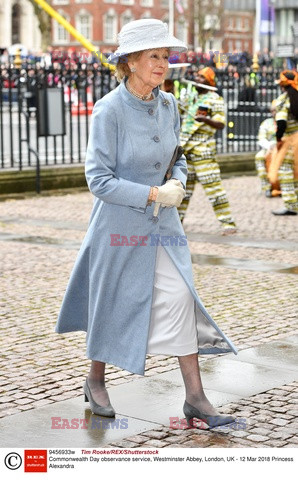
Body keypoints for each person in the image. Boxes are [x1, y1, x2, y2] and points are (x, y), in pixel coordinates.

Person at [55, 19, 237, 428]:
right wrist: (153, 194)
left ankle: (195, 397)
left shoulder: (169, 104)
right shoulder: (109, 109)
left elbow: (180, 157)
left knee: (180, 298)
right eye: (154, 56)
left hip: (166, 229)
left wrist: (176, 181)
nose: (163, 64)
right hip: (119, 226)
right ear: (131, 62)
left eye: (166, 56)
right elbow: (98, 179)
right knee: (110, 301)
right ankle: (96, 380)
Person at [178, 67, 237, 234]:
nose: (197, 79)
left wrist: (204, 119)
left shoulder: (215, 99)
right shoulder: (192, 97)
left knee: (213, 188)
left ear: (209, 81)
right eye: (197, 76)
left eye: (201, 77)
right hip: (185, 149)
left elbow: (221, 124)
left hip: (203, 149)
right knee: (182, 189)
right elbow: (177, 109)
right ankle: (177, 222)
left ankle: (228, 223)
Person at [269, 70, 298, 216]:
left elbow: (281, 123)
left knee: (286, 173)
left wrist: (278, 139)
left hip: (290, 142)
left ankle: (291, 205)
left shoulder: (283, 99)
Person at [255, 100, 279, 197]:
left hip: (283, 148)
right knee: (259, 157)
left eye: (276, 111)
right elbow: (261, 138)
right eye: (273, 111)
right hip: (269, 148)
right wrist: (270, 146)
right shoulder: (266, 123)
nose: (274, 113)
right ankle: (267, 187)